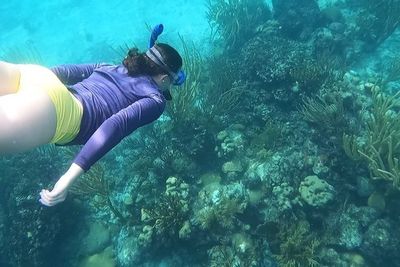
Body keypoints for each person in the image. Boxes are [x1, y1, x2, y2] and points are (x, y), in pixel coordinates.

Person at [0, 24, 186, 207]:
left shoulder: (108, 66)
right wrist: (68, 178)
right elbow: (115, 125)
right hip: (61, 113)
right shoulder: (155, 100)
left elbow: (63, 72)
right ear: (164, 79)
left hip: (36, 75)